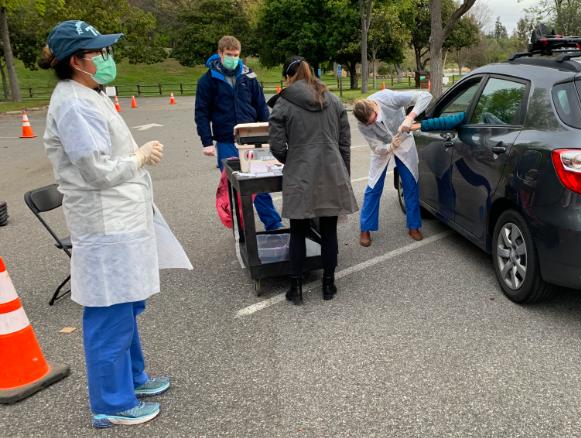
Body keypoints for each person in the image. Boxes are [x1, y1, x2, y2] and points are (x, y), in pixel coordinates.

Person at [39, 20, 192, 428]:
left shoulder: (90, 93)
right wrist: (138, 158)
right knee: (110, 310)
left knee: (126, 304)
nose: (108, 59)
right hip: (105, 224)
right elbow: (95, 169)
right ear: (78, 60)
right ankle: (112, 402)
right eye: (100, 53)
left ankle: (134, 379)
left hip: (122, 218)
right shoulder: (72, 103)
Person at [269, 56, 357, 305]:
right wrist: (343, 174)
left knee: (297, 230)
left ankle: (295, 287)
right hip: (332, 171)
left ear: (288, 77)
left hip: (300, 173)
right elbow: (345, 144)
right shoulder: (334, 99)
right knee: (329, 229)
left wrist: (293, 158)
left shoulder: (283, 103)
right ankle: (328, 284)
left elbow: (276, 145)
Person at [195, 35, 282, 231]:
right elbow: (201, 112)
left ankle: (273, 223)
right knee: (233, 186)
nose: (233, 58)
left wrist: (267, 134)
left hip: (251, 139)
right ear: (220, 53)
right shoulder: (208, 80)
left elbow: (261, 107)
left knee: (260, 182)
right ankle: (241, 228)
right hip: (226, 140)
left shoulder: (249, 77)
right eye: (229, 55)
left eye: (236, 55)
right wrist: (206, 141)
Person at [352, 89, 432, 247]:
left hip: (404, 140)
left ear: (375, 108)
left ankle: (413, 226)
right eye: (369, 123)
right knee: (373, 187)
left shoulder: (388, 98)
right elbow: (375, 147)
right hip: (383, 148)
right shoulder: (363, 124)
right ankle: (365, 229)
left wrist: (410, 117)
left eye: (373, 119)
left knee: (410, 184)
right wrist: (388, 147)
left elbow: (425, 96)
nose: (372, 123)